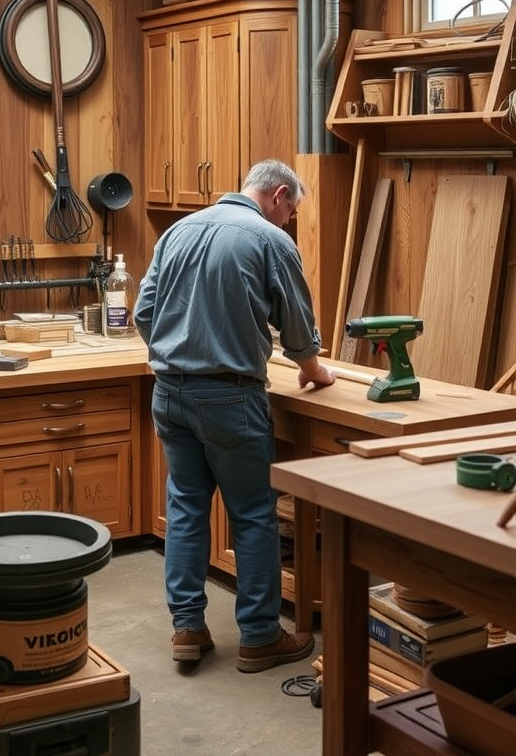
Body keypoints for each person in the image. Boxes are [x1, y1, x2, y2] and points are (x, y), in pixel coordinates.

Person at [133, 159, 336, 673]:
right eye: (291, 211)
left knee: (184, 507)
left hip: (169, 392)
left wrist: (179, 355)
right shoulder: (269, 239)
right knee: (251, 515)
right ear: (279, 195)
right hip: (230, 397)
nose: (288, 221)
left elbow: (144, 313)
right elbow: (296, 324)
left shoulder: (179, 231)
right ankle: (261, 637)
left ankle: (187, 628)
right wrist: (313, 370)